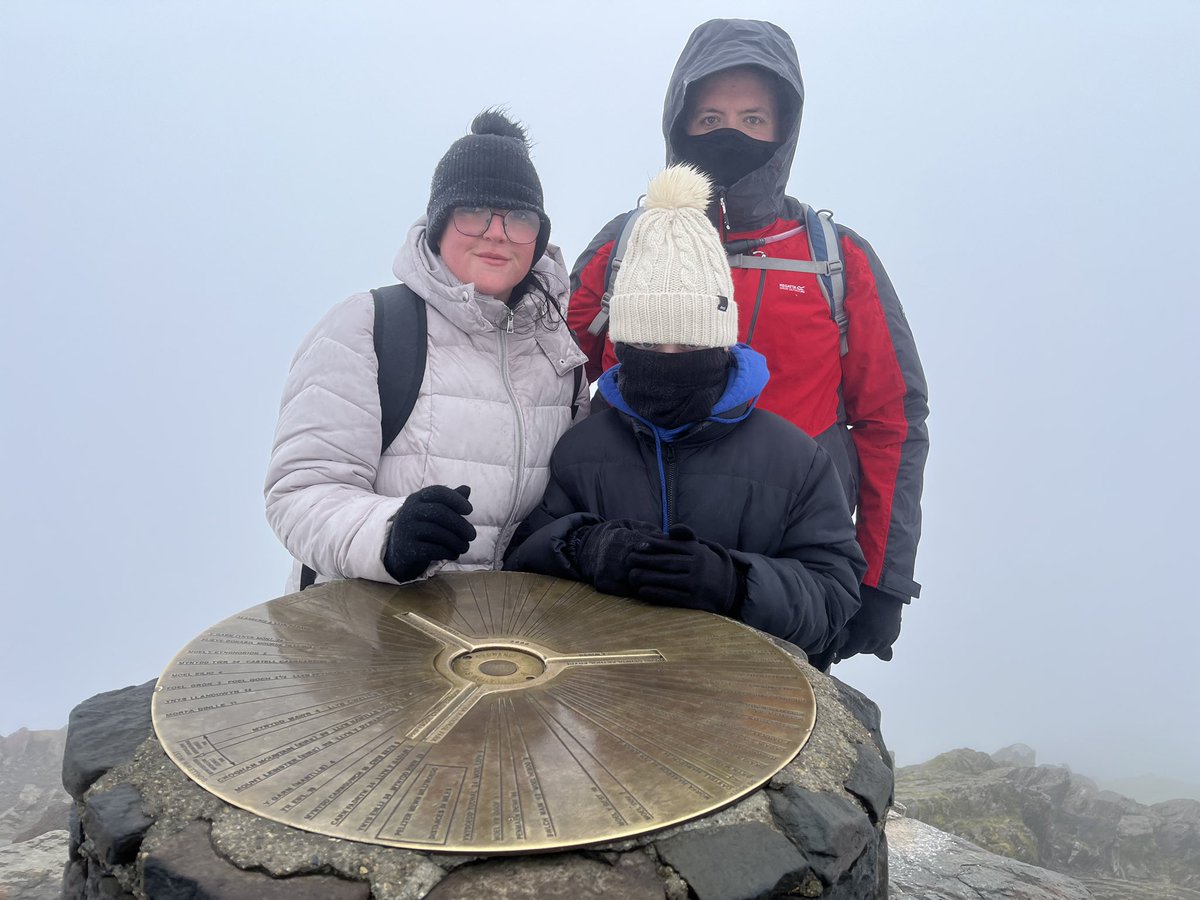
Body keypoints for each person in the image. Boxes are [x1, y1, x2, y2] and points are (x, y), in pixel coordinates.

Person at [566, 19, 929, 665]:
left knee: (772, 751)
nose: (729, 133)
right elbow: (546, 381)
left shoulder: (834, 260)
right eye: (709, 117)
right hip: (624, 568)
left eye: (753, 118)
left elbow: (891, 421)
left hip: (782, 577)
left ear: (784, 129)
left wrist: (882, 578)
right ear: (679, 123)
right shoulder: (629, 243)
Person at [506, 164, 865, 657]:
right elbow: (523, 560)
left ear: (720, 342)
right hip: (604, 699)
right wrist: (583, 547)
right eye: (649, 341)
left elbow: (834, 597)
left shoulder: (796, 461)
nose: (668, 359)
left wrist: (735, 584)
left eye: (690, 341)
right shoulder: (582, 448)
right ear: (624, 343)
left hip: (748, 707)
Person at [266, 110, 588, 592]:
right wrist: (389, 533)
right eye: (475, 212)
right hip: (369, 637)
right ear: (440, 223)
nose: (497, 233)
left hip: (502, 645)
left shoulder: (559, 354)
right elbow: (299, 492)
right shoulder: (369, 326)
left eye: (519, 218)